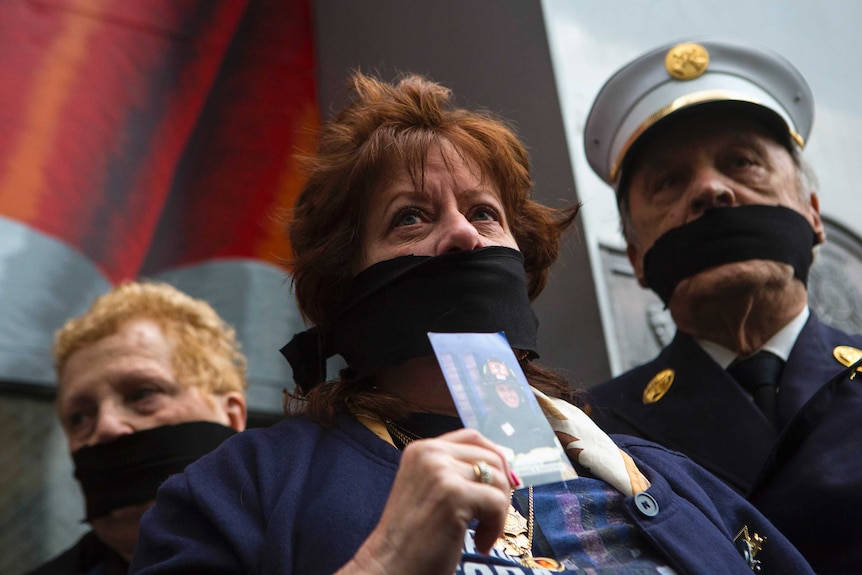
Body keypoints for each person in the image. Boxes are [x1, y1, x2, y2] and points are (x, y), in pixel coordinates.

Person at [130, 72, 813, 575]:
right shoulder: (237, 489)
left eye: (485, 213)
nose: (463, 236)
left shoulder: (671, 477)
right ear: (348, 286)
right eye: (411, 217)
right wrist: (387, 560)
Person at [583, 37, 862, 574]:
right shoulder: (593, 432)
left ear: (812, 213)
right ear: (638, 257)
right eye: (669, 181)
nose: (710, 190)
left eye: (741, 162)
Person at [28, 281, 248, 575]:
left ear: (231, 416)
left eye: (143, 394)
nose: (106, 427)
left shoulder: (316, 549)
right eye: (80, 418)